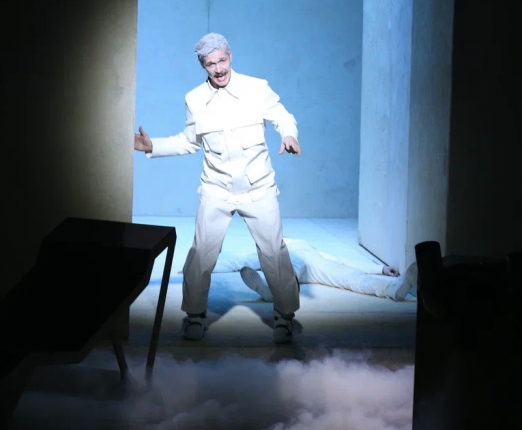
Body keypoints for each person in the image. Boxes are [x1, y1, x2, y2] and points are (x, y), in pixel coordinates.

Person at [134, 33, 301, 343]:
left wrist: (289, 135)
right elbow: (188, 142)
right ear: (203, 66)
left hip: (259, 188)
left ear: (230, 56)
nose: (219, 68)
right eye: (211, 64)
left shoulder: (256, 88)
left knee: (274, 253)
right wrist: (152, 145)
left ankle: (285, 317)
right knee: (201, 253)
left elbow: (282, 116)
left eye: (222, 60)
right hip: (216, 189)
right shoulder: (195, 99)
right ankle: (195, 316)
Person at [200, 238, 419, 302]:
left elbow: (340, 260)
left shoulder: (298, 243)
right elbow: (236, 262)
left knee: (351, 276)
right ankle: (270, 292)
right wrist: (200, 267)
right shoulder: (270, 245)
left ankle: (394, 289)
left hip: (312, 262)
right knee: (350, 277)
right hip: (297, 264)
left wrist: (379, 268)